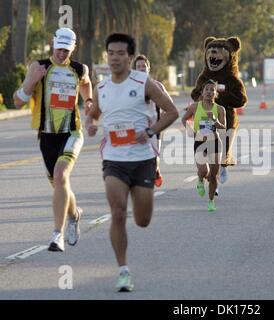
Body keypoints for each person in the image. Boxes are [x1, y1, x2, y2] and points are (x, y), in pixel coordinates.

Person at [85, 33, 178, 292]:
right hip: (114, 159)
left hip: (142, 160)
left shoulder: (144, 83)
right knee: (117, 212)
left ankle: (139, 219)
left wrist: (149, 132)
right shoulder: (101, 88)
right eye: (110, 53)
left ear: (129, 56)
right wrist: (90, 126)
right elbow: (92, 116)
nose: (114, 57)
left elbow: (172, 112)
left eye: (120, 53)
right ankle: (123, 271)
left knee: (143, 220)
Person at [13, 27, 93, 252]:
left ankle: (57, 235)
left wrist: (88, 101)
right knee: (60, 184)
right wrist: (32, 81)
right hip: (47, 137)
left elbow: (86, 84)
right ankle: (75, 215)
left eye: (66, 50)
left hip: (72, 133)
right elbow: (17, 102)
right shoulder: (39, 67)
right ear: (53, 44)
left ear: (73, 48)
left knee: (61, 175)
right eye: (59, 48)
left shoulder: (79, 69)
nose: (61, 54)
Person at [182, 80, 226, 212]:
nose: (209, 92)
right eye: (207, 89)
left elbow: (224, 128)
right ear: (202, 92)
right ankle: (200, 179)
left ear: (216, 93)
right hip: (200, 142)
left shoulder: (219, 109)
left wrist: (216, 121)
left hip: (215, 142)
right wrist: (189, 130)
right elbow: (184, 119)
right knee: (203, 171)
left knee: (213, 175)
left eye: (212, 90)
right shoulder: (195, 107)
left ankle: (211, 201)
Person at [132, 54, 170, 187]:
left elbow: (168, 104)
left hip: (154, 128)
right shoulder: (130, 86)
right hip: (137, 127)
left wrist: (165, 114)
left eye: (144, 66)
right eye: (138, 66)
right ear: (135, 69)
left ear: (148, 68)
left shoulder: (157, 85)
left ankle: (156, 170)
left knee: (153, 158)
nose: (141, 68)